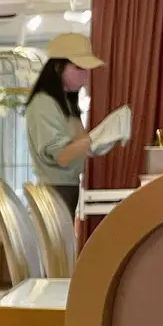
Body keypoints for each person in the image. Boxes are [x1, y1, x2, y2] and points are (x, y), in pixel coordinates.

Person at [24, 31, 104, 218]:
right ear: (58, 67)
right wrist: (96, 139)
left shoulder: (66, 103)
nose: (86, 76)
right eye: (80, 68)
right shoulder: (44, 102)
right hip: (54, 190)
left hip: (65, 188)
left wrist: (96, 142)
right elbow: (62, 155)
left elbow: (75, 148)